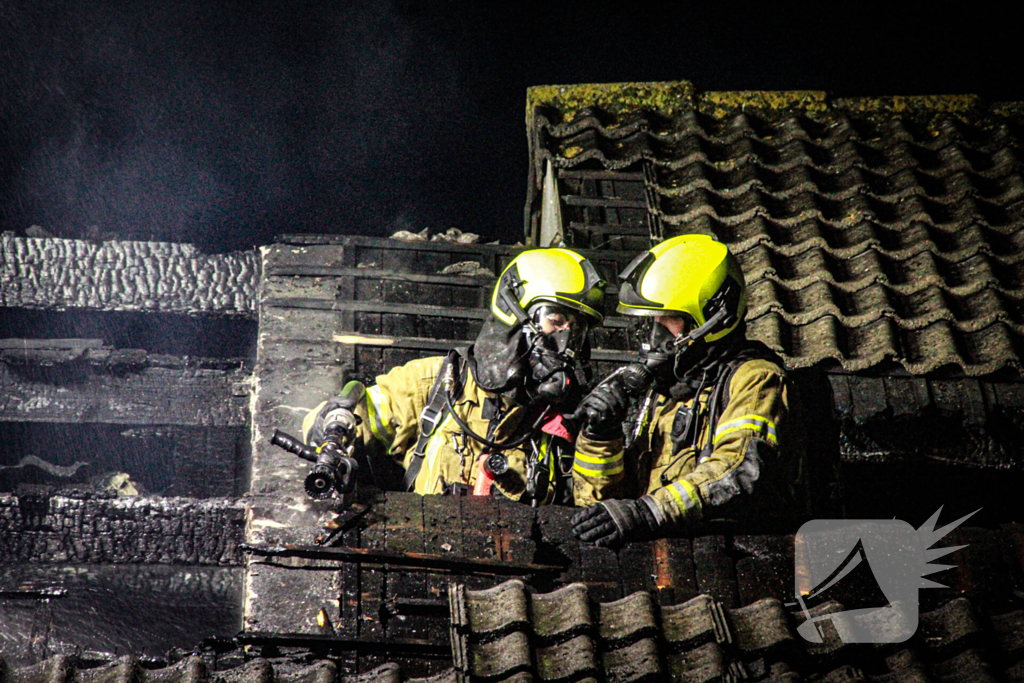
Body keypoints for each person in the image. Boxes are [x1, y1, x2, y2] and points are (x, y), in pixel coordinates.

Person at [303, 248, 607, 504]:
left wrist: (602, 436)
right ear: (514, 313)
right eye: (555, 321)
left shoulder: (567, 421)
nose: (565, 344)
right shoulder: (434, 383)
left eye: (576, 332)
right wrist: (331, 430)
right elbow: (334, 421)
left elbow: (593, 504)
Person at [570, 234, 795, 547]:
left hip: (741, 560)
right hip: (669, 561)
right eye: (651, 320)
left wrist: (648, 512)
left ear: (714, 319)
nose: (654, 335)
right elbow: (605, 512)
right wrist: (601, 437)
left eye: (670, 319)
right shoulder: (668, 391)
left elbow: (738, 470)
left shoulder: (756, 379)